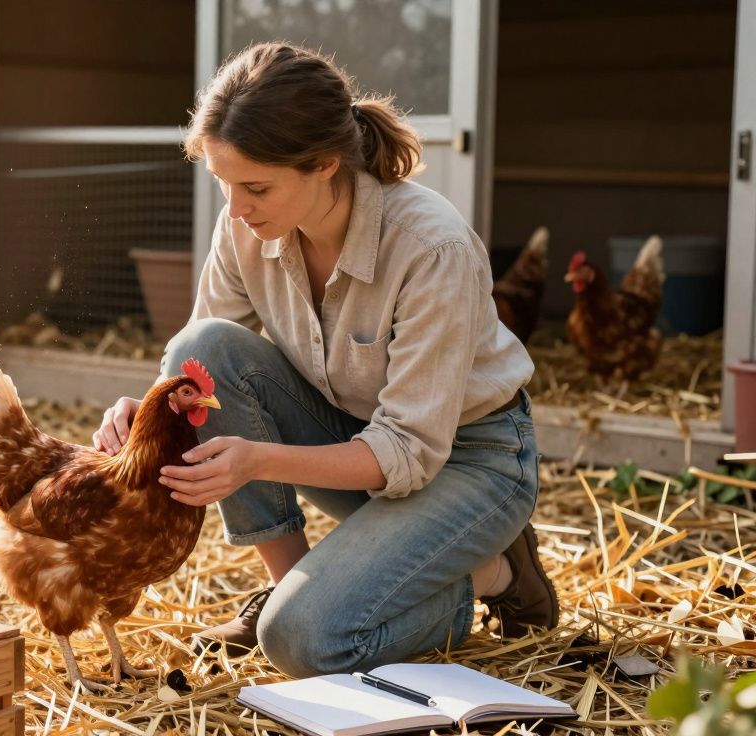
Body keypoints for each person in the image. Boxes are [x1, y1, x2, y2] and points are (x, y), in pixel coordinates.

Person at [92, 42, 557, 678]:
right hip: (353, 438)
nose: (236, 208)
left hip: (469, 460)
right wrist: (152, 409)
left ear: (325, 165)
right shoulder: (244, 226)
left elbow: (410, 449)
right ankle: (288, 587)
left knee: (304, 643)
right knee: (200, 347)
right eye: (225, 185)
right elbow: (200, 361)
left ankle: (496, 573)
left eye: (256, 187)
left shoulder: (431, 248)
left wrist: (259, 459)